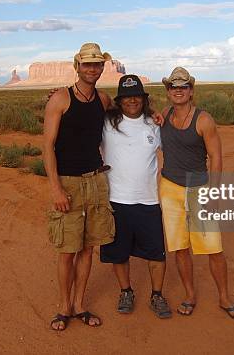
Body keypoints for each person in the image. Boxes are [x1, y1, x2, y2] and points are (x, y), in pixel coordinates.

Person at [159, 66, 234, 320]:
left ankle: (224, 297)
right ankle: (189, 295)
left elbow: (216, 158)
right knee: (180, 247)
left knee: (213, 248)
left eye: (183, 86)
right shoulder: (163, 114)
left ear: (191, 90)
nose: (178, 91)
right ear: (168, 91)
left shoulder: (204, 120)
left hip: (198, 189)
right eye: (174, 87)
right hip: (170, 188)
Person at [44, 42, 115, 331]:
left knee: (87, 249)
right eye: (87, 64)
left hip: (96, 181)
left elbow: (133, 107)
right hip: (69, 183)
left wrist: (156, 113)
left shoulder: (104, 99)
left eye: (97, 64)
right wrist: (56, 189)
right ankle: (63, 307)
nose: (92, 69)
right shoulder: (60, 99)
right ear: (78, 66)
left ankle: (80, 305)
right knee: (67, 250)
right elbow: (47, 146)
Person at [100, 75, 172, 319]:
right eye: (127, 97)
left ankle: (157, 295)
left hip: (148, 200)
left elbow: (175, 142)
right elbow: (92, 101)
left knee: (156, 252)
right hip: (116, 200)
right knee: (118, 252)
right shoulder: (107, 123)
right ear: (119, 101)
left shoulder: (155, 124)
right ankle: (126, 291)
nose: (132, 101)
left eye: (136, 96)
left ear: (143, 99)